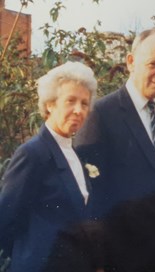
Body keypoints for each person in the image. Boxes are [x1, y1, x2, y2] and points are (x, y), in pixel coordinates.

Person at [74, 28, 155, 272]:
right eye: (153, 64)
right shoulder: (101, 114)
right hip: (126, 260)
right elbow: (90, 199)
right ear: (131, 62)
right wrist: (98, 264)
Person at [0, 61, 103, 272]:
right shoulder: (33, 153)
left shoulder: (72, 153)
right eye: (70, 101)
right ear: (50, 104)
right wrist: (29, 256)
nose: (78, 110)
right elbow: (5, 220)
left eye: (84, 104)